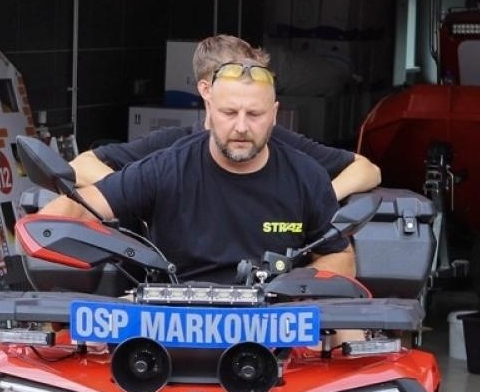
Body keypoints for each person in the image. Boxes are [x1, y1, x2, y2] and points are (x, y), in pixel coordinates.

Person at [42, 58, 354, 283]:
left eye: (255, 114)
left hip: (274, 323)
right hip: (171, 324)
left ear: (274, 115)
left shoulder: (307, 175)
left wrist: (298, 288)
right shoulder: (165, 168)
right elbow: (78, 210)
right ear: (209, 111)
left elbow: (340, 256)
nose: (242, 127)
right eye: (229, 112)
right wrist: (40, 230)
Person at [70, 34, 381, 200]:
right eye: (231, 109)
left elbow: (366, 170)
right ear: (208, 90)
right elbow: (80, 165)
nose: (243, 126)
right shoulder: (170, 149)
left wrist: (326, 198)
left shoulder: (283, 144)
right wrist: (129, 193)